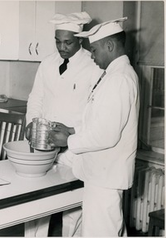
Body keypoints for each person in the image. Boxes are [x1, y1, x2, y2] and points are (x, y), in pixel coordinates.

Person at [48, 17, 140, 236]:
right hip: (101, 174)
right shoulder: (114, 76)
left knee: (102, 231)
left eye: (95, 49)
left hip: (105, 177)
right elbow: (100, 121)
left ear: (110, 46)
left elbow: (106, 135)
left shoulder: (120, 79)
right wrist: (73, 130)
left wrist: (67, 141)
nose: (92, 55)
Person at [25, 12, 103, 237]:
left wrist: (72, 134)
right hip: (44, 146)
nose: (62, 47)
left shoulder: (93, 65)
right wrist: (31, 123)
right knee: (37, 204)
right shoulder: (48, 63)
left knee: (72, 209)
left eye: (68, 42)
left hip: (74, 150)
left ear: (80, 39)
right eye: (58, 41)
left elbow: (94, 112)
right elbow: (36, 97)